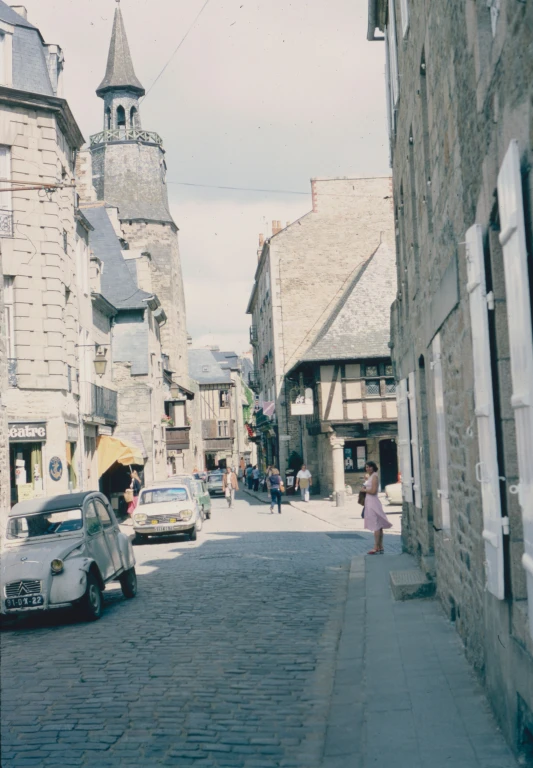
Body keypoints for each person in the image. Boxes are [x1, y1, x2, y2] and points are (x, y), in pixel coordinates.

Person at [361, 461, 392, 554]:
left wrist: (364, 490)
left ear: (374, 467)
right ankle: (380, 546)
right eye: (367, 467)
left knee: (376, 525)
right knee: (378, 525)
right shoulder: (371, 476)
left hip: (372, 502)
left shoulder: (374, 476)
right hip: (370, 501)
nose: (368, 468)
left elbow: (374, 491)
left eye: (370, 467)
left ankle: (376, 547)